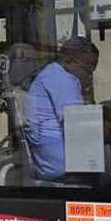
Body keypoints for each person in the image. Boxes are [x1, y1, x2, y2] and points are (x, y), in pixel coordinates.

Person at [24, 36, 99, 181]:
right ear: (68, 59)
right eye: (87, 68)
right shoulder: (63, 79)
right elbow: (79, 128)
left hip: (49, 162)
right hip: (63, 166)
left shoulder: (51, 74)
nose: (89, 75)